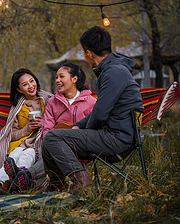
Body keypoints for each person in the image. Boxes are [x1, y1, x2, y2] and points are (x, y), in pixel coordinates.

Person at [42, 26, 143, 191]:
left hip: (118, 140)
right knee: (51, 138)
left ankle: (82, 182)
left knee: (52, 138)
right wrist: (79, 127)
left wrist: (81, 133)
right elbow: (99, 110)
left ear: (89, 53)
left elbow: (100, 114)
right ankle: (56, 185)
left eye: (83, 51)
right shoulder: (114, 69)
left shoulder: (112, 73)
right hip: (118, 134)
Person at [6, 62, 96, 192]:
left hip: (82, 145)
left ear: (74, 79)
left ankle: (24, 176)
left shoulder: (91, 102)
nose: (57, 80)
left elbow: (96, 128)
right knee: (50, 149)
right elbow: (47, 130)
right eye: (56, 77)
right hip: (58, 145)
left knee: (53, 151)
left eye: (61, 77)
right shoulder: (53, 102)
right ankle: (21, 179)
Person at [0, 68, 53, 195]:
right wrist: (27, 129)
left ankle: (4, 184)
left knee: (25, 157)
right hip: (20, 144)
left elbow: (57, 123)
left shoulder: (49, 100)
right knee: (13, 157)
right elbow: (11, 135)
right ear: (19, 89)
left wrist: (44, 124)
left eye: (32, 81)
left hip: (37, 145)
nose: (31, 86)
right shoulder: (18, 106)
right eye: (25, 84)